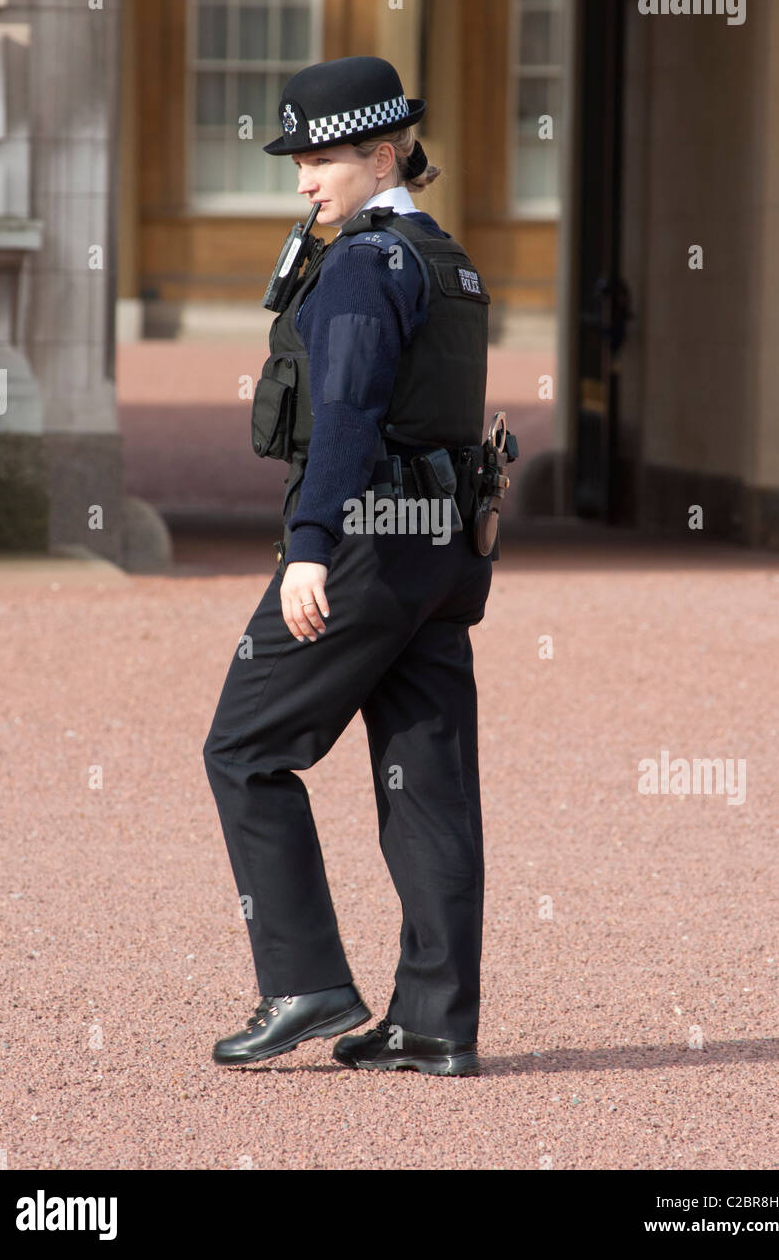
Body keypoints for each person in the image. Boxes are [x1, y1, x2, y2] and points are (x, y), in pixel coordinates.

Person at [202, 55, 502, 1077]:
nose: (301, 179)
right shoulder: (451, 263)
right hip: (440, 561)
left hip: (365, 548)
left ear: (380, 152)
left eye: (319, 156)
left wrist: (307, 547)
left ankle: (305, 983)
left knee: (243, 747)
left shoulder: (363, 267)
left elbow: (345, 418)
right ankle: (433, 1023)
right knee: (428, 788)